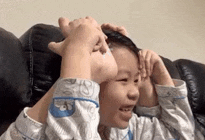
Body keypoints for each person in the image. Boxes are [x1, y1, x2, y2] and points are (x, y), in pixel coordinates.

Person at [0, 16, 195, 140]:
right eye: (123, 80)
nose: (135, 93)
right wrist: (78, 51)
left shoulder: (123, 130)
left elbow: (180, 136)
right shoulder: (40, 131)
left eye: (136, 81)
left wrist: (157, 74)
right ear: (93, 83)